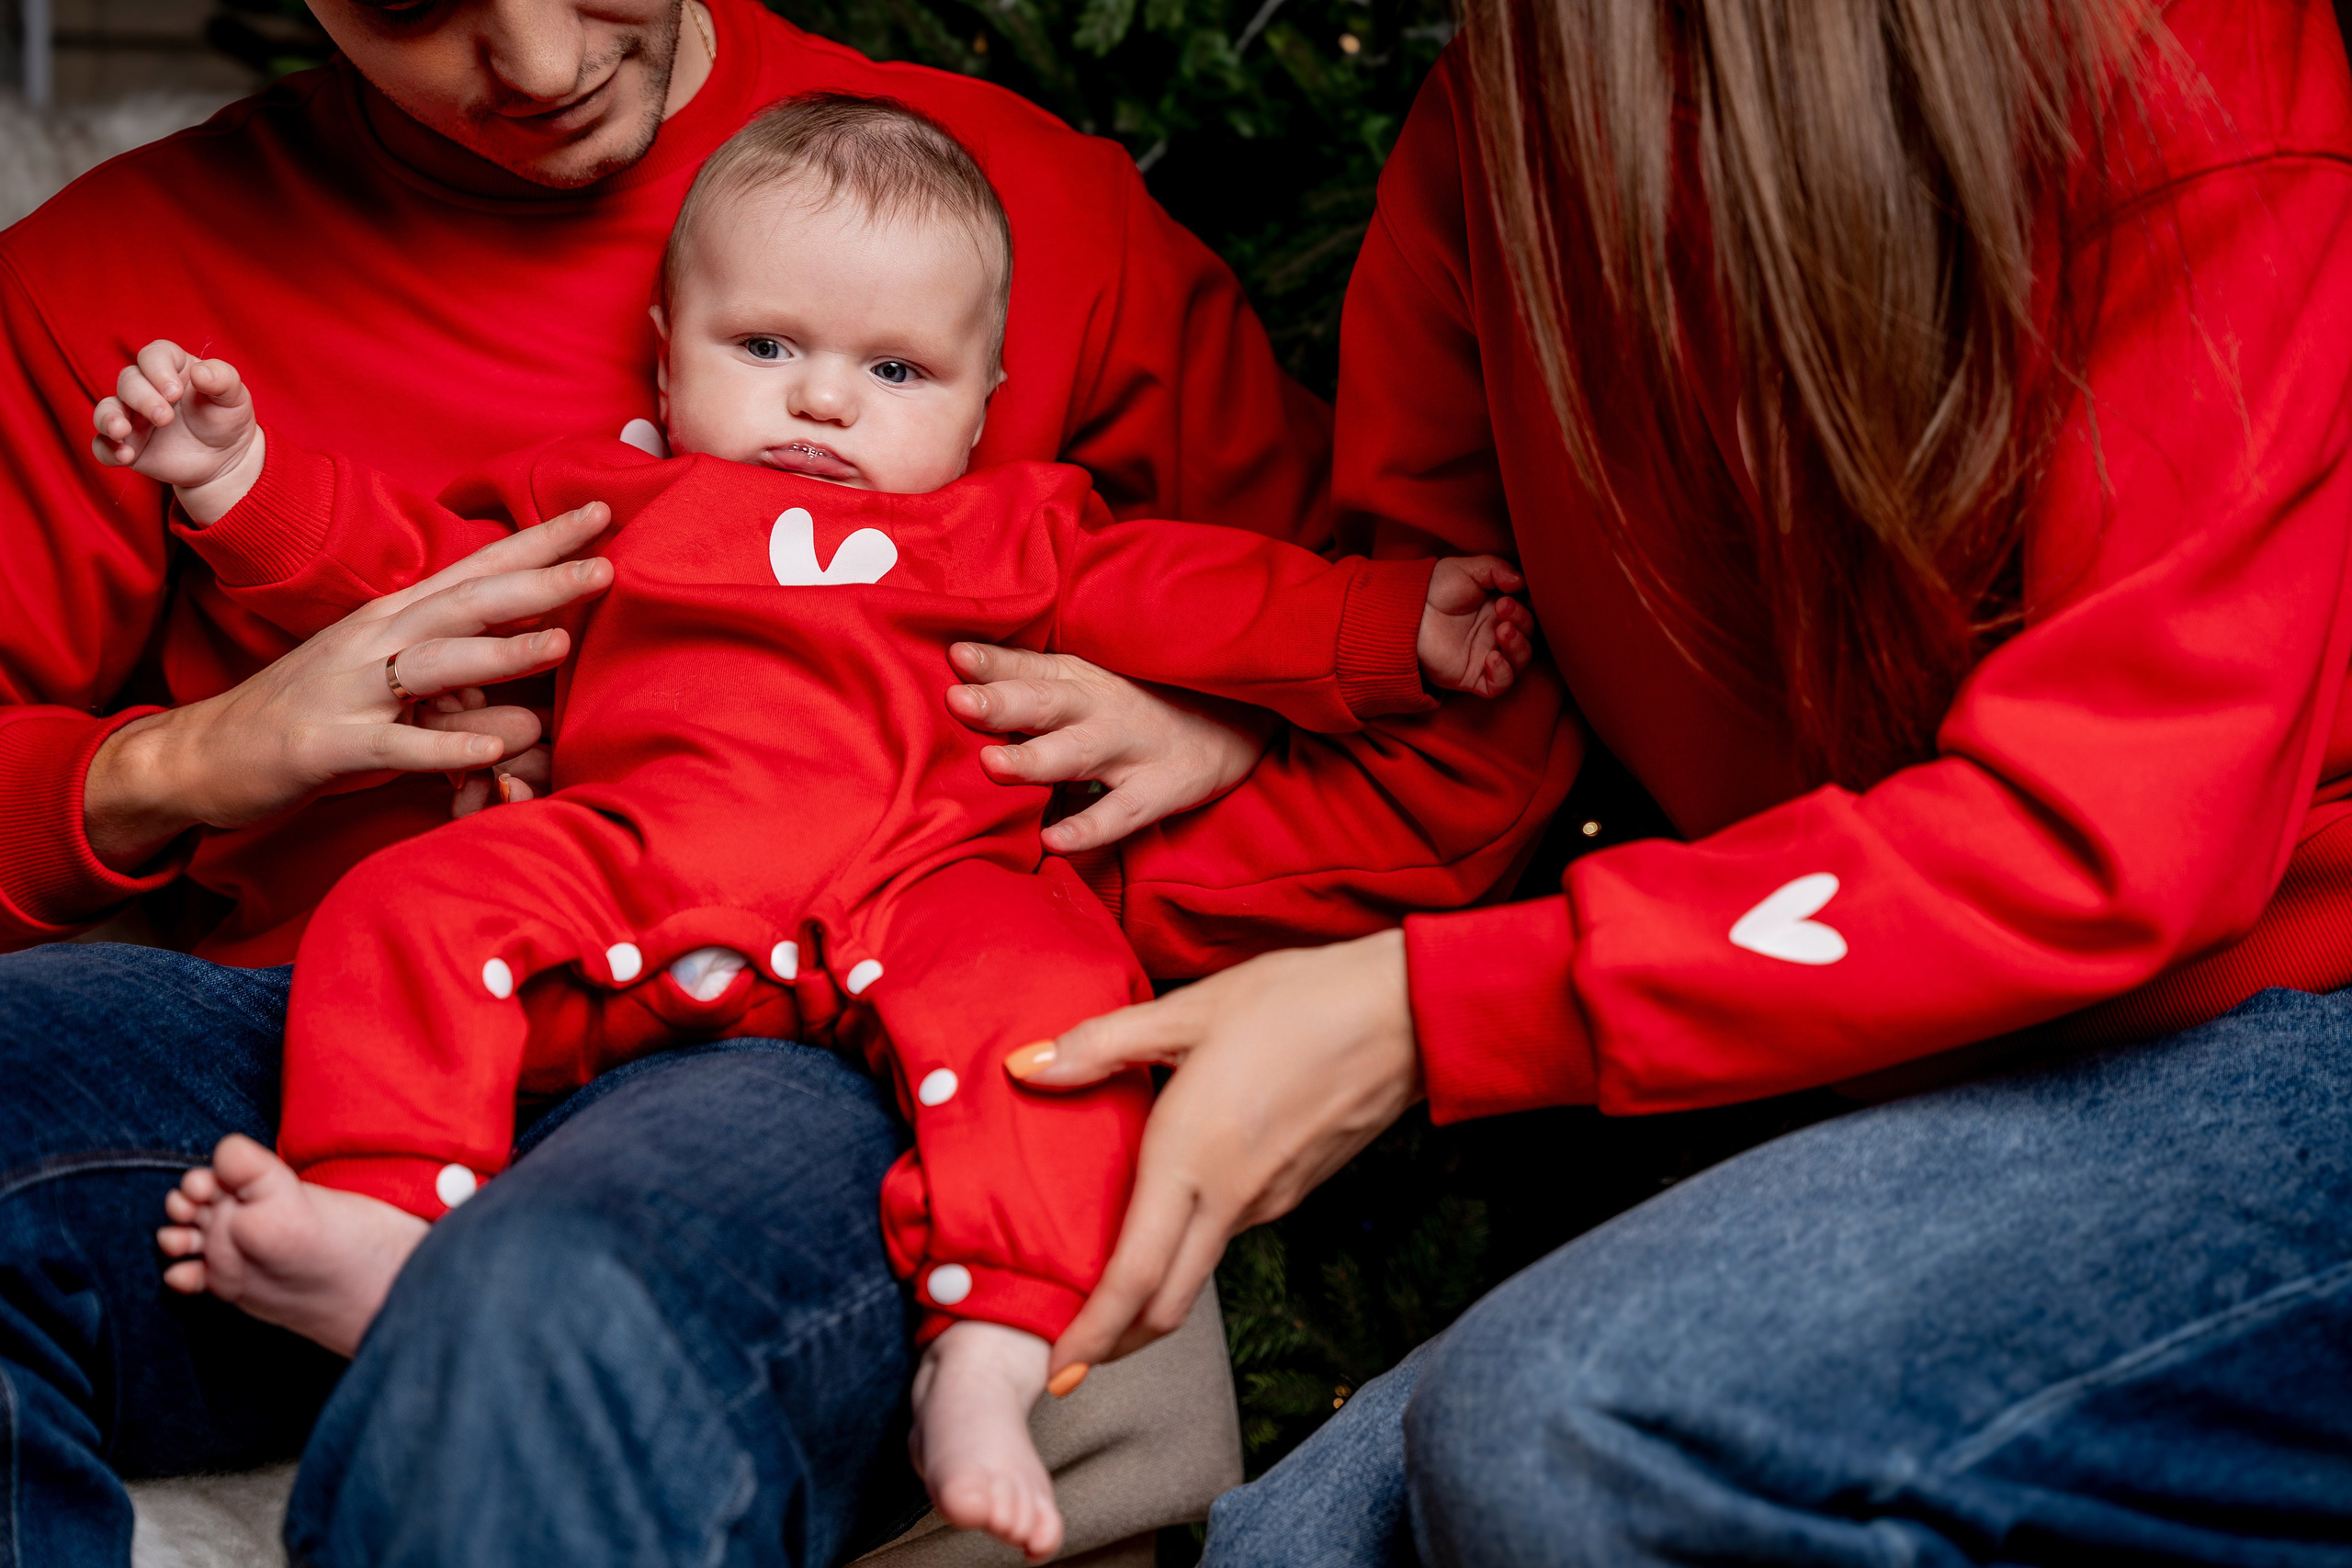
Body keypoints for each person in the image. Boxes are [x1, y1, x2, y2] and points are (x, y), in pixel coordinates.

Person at [0, 0, 1576, 1561]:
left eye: (896, 372)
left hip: (843, 1017)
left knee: (993, 1016)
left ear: (981, 398)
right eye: (766, 350)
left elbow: (1219, 596)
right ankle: (380, 1199)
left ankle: (997, 1327)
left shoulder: (1019, 445)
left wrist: (1284, 697)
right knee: (410, 903)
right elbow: (411, 570)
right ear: (666, 365)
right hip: (530, 927)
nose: (539, 62)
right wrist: (200, 674)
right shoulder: (616, 499)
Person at [1006, 0, 2352, 1560]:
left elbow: (2109, 825)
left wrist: (1435, 1011)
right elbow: (1469, 689)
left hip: (2292, 1029)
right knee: (1297, 1542)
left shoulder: (2193, 73)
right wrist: (1209, 739)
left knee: (1568, 1418)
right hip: (1936, 1090)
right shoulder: (1501, 133)